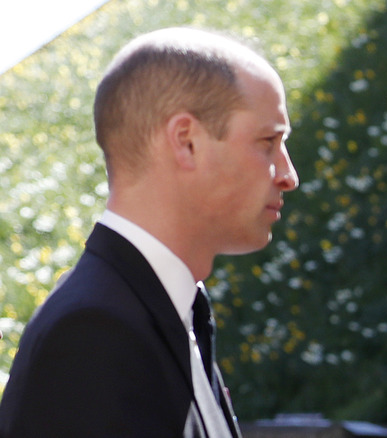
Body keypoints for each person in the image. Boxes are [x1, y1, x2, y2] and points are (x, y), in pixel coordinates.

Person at [0, 27, 298, 437]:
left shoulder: (160, 307)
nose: (288, 175)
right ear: (186, 141)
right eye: (268, 142)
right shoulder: (93, 336)